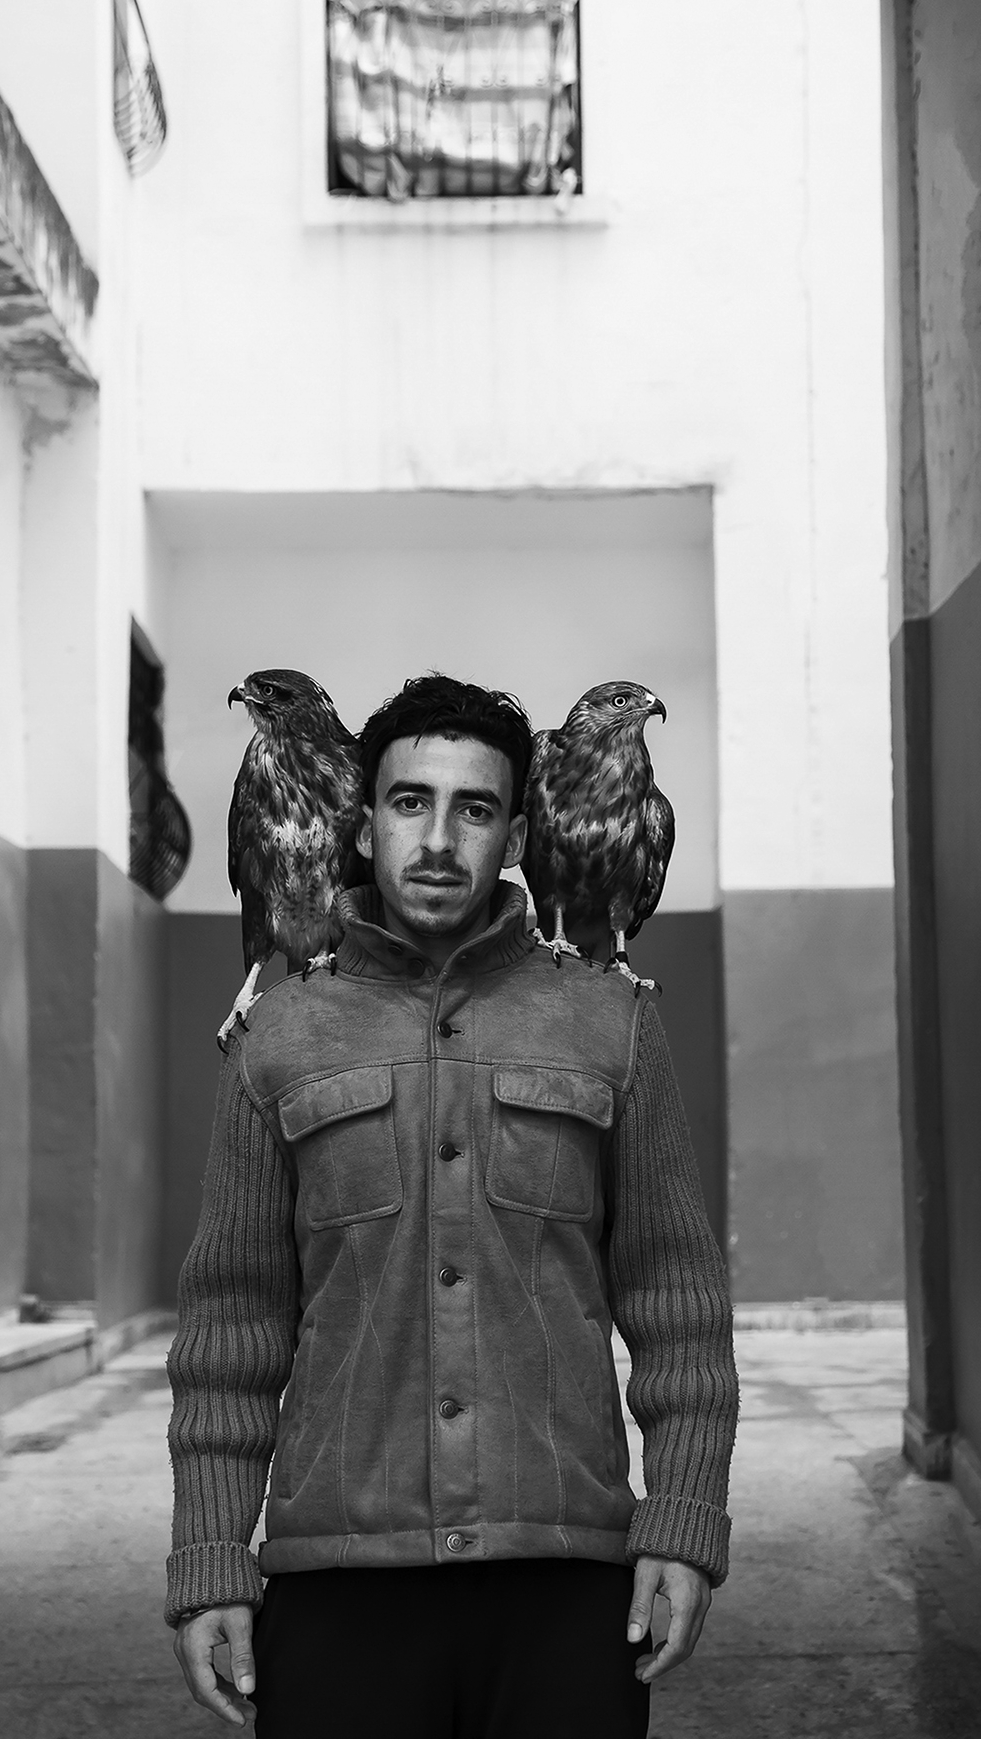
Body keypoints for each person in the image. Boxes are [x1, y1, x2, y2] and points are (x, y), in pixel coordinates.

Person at [165, 673, 738, 1737]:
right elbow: (231, 1329)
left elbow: (677, 1302)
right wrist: (208, 1559)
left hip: (570, 1584)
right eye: (407, 801)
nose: (438, 839)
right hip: (338, 1582)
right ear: (362, 820)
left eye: (473, 808)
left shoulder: (610, 1025)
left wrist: (684, 1516)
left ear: (516, 830)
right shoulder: (278, 1039)